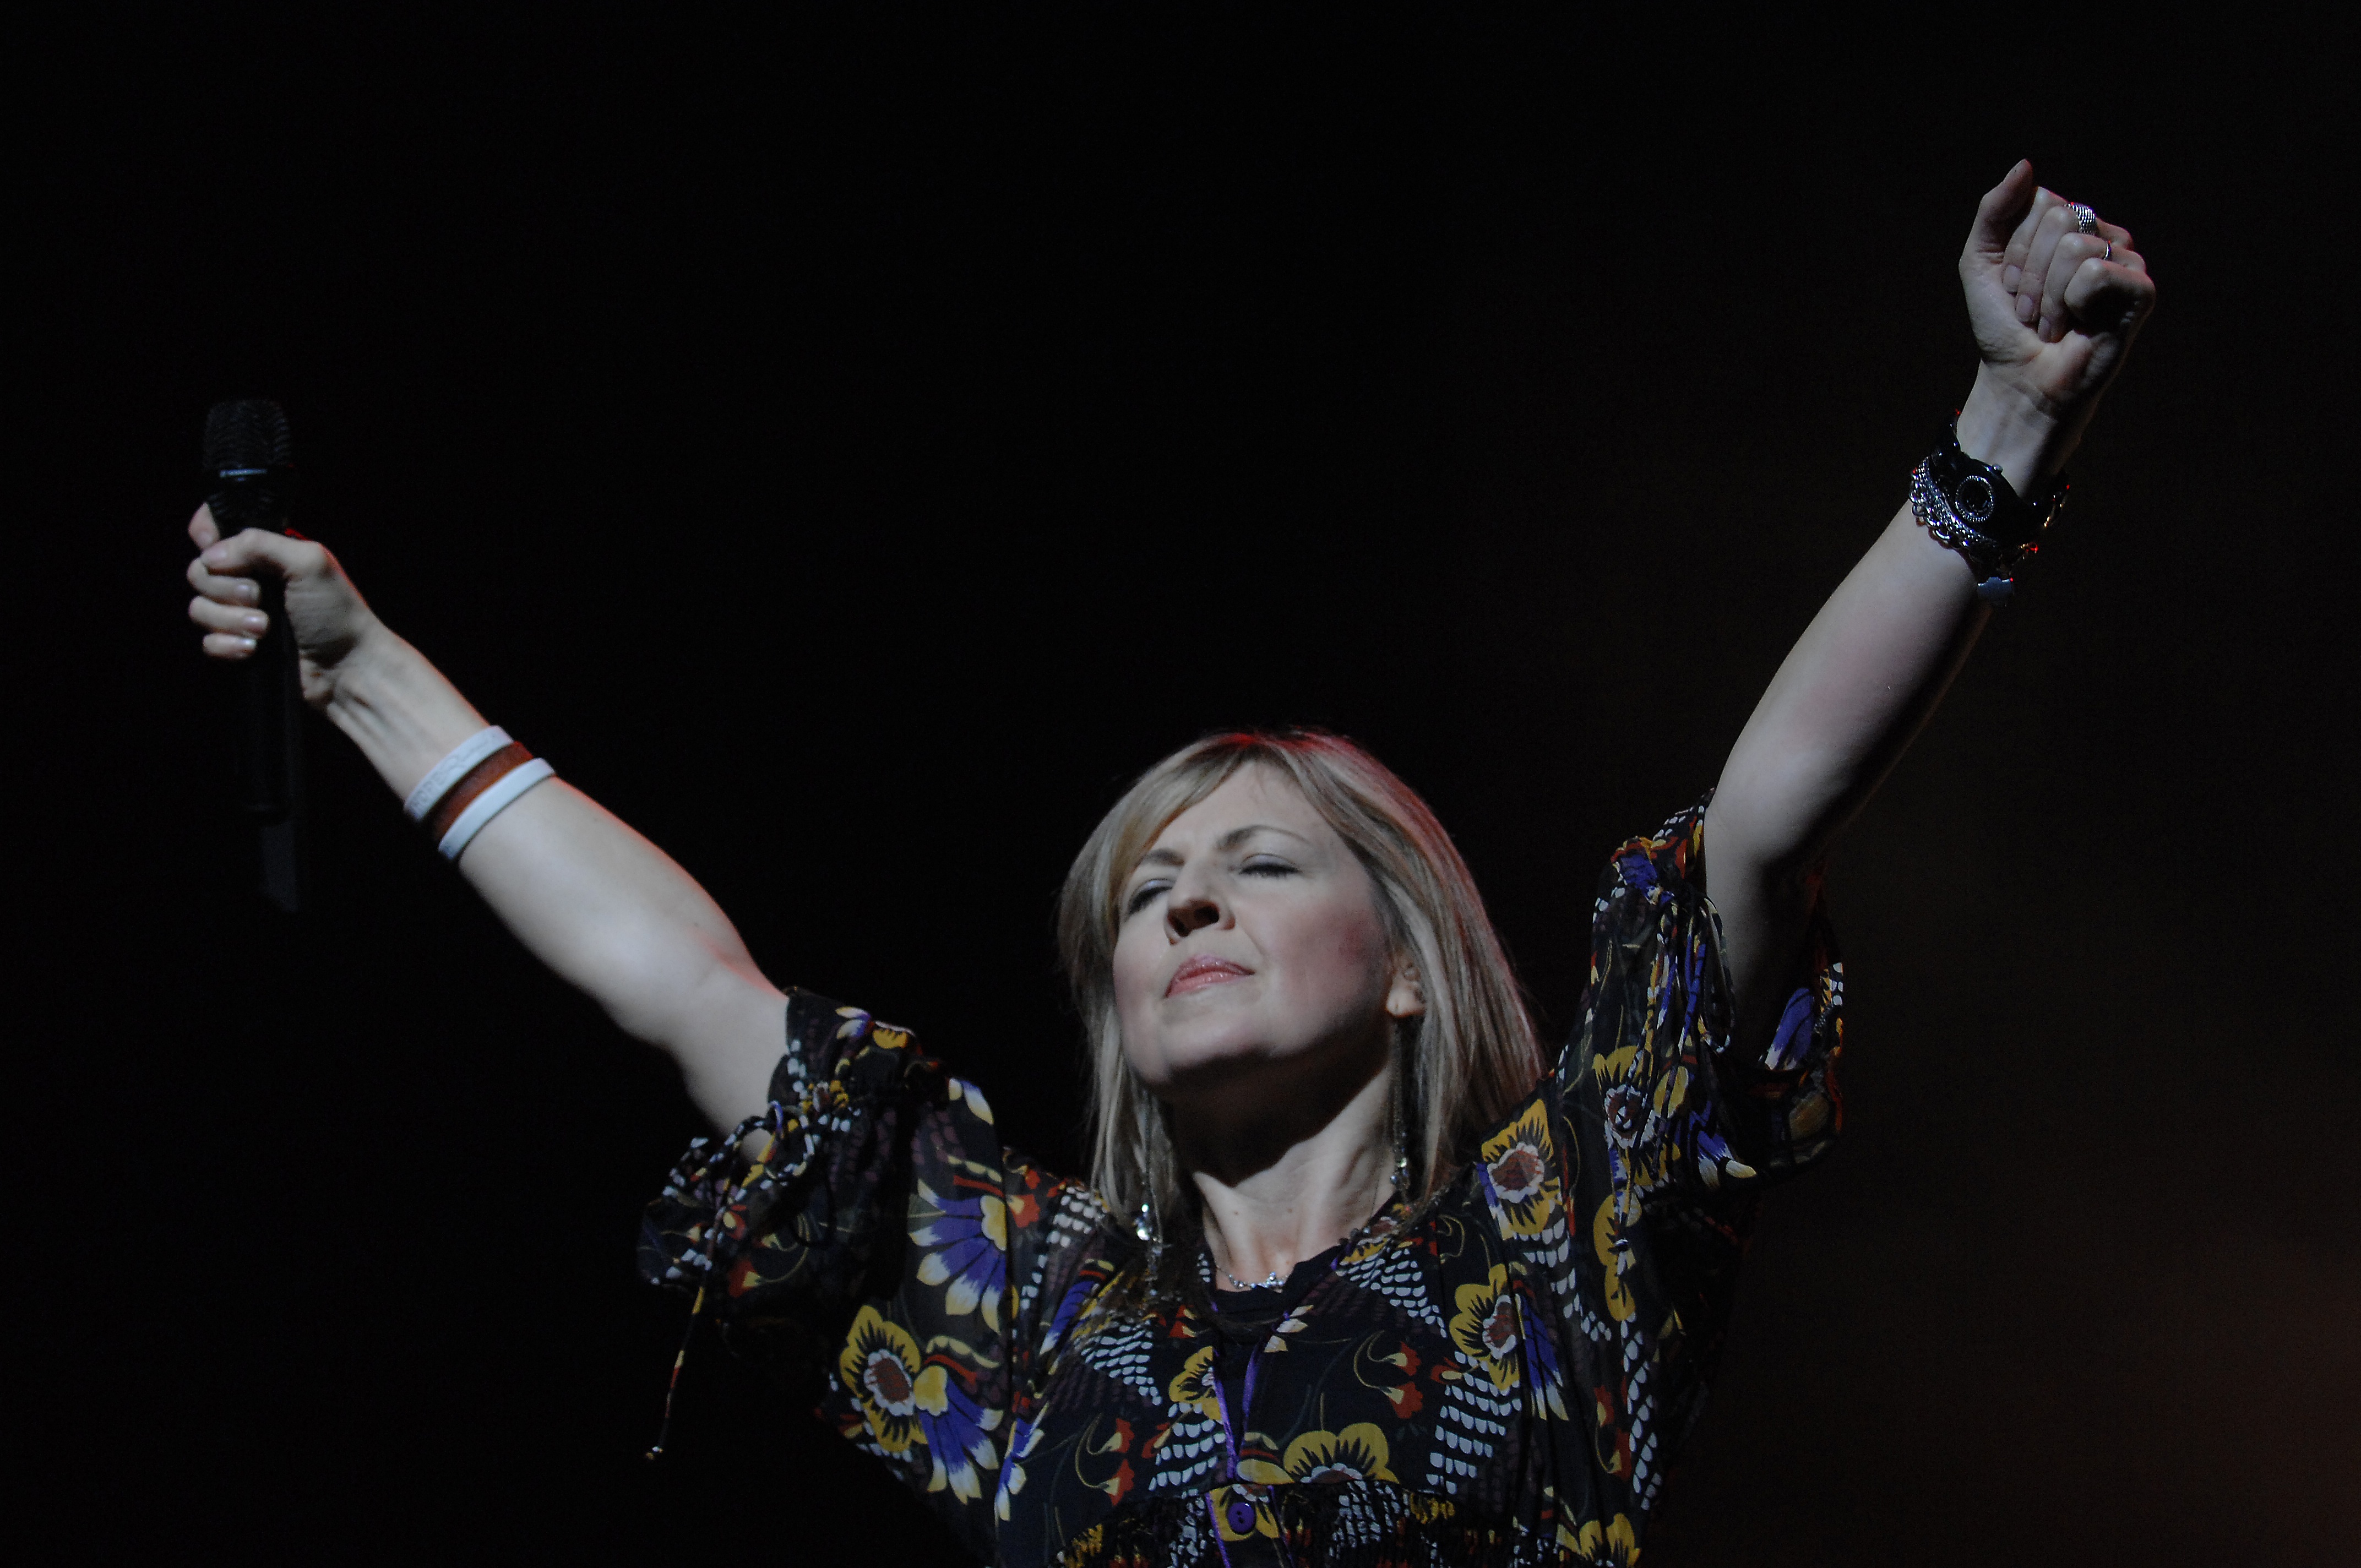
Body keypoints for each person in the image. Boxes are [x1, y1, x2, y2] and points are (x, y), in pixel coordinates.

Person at [184, 164, 2153, 1566]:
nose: (1186, 901)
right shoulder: (1036, 1316)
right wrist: (364, 678)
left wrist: (2006, 421)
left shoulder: (1558, 1249)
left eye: (1258, 864)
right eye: (1145, 891)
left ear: (1404, 962)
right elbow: (689, 990)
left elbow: (1772, 813)